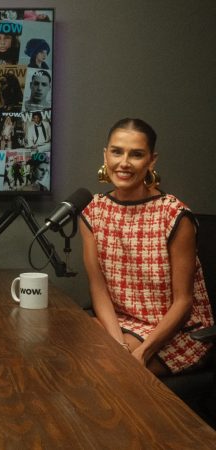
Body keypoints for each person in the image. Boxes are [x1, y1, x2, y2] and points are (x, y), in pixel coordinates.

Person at [81, 118, 213, 376]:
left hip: (173, 330)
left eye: (137, 154)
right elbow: (98, 289)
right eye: (117, 151)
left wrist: (140, 353)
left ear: (151, 160)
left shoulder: (174, 215)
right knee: (68, 352)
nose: (124, 163)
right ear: (105, 155)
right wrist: (118, 344)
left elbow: (184, 303)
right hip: (120, 324)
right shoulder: (92, 212)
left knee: (110, 374)